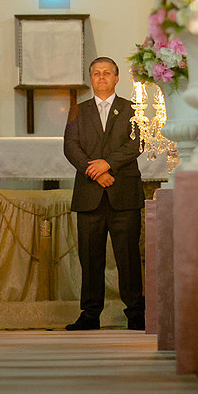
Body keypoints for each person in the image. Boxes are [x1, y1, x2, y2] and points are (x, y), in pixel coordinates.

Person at [63, 56, 145, 331]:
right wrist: (96, 171)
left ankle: (136, 313)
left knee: (128, 257)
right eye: (96, 73)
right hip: (90, 195)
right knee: (90, 257)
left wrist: (107, 164)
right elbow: (71, 147)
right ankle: (89, 314)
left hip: (124, 193)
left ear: (117, 78)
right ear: (91, 78)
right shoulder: (78, 110)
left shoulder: (132, 109)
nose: (101, 77)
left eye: (107, 73)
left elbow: (137, 144)